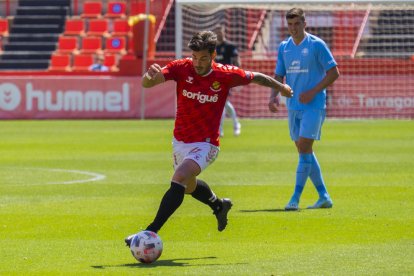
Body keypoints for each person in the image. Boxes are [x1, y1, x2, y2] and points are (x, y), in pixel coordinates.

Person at [125, 30, 293, 244]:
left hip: (206, 144)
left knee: (179, 177)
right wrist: (149, 76)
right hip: (180, 141)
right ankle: (218, 205)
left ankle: (148, 233)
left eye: (203, 58)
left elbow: (256, 77)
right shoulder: (181, 67)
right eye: (194, 57)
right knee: (188, 186)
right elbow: (147, 84)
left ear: (213, 56)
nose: (197, 62)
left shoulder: (225, 74)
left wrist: (281, 87)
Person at [269, 8, 340, 211]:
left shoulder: (317, 45)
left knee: (304, 147)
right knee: (304, 150)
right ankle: (324, 196)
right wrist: (273, 96)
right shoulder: (284, 47)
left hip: (314, 105)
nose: (293, 28)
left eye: (297, 24)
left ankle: (295, 198)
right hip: (293, 106)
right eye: (290, 25)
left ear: (304, 23)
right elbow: (278, 76)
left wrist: (313, 91)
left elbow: (334, 72)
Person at [214, 25, 242, 137]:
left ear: (224, 32)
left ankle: (223, 129)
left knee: (222, 103)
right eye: (216, 32)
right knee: (222, 103)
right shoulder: (213, 48)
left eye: (220, 32)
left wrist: (239, 76)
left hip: (227, 78)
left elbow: (237, 61)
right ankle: (235, 125)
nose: (218, 34)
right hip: (216, 79)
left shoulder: (230, 47)